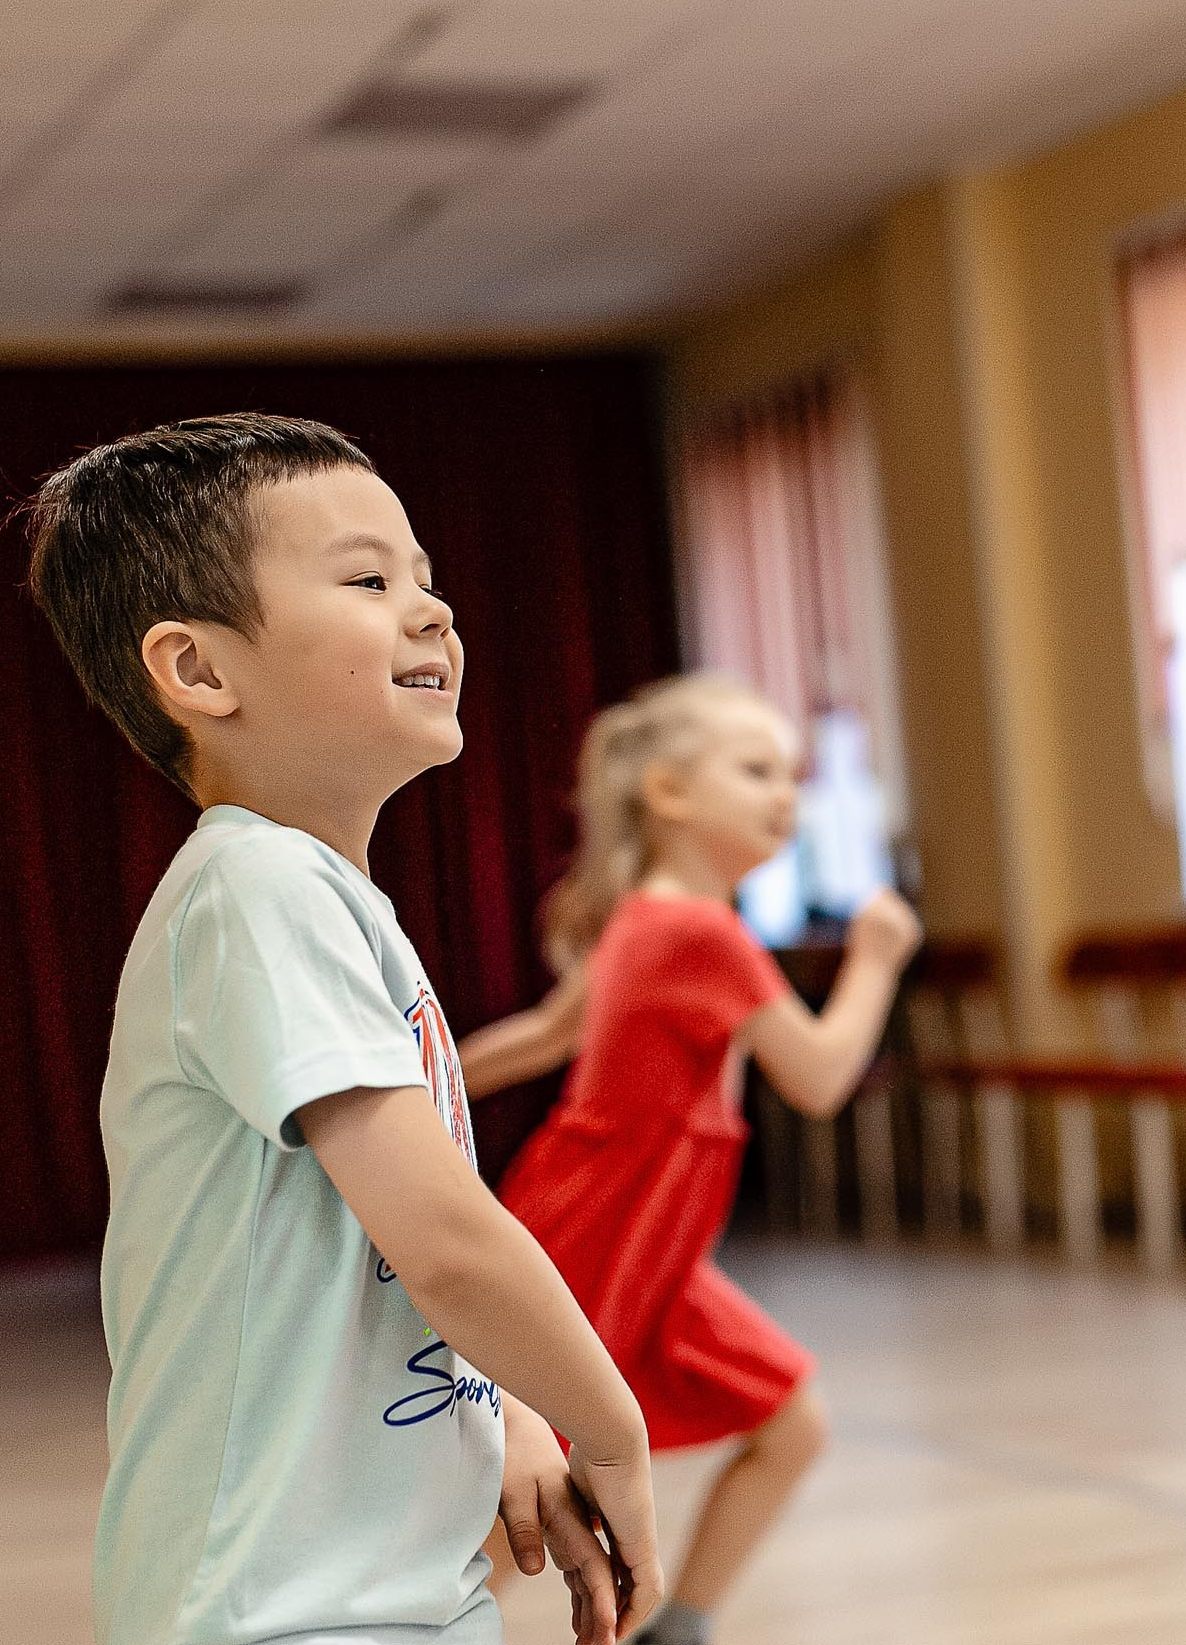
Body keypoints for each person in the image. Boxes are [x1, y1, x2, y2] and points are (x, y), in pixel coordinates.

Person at [21, 412, 662, 1645]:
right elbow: (447, 1243)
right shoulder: (258, 892)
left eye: (426, 578)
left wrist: (508, 1414)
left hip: (386, 1594)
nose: (434, 612)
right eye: (370, 580)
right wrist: (612, 1430)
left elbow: (367, 1255)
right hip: (281, 1610)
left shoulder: (315, 897)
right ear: (200, 673)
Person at [472, 673, 922, 1645]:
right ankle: (409, 1625)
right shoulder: (699, 931)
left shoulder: (648, 914)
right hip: (604, 1229)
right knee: (537, 1487)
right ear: (669, 792)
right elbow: (818, 1073)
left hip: (653, 1241)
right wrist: (877, 959)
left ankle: (684, 1627)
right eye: (756, 768)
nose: (784, 794)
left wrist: (425, 1083)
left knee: (788, 1421)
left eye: (792, 775)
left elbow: (548, 1032)